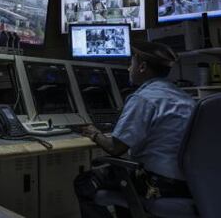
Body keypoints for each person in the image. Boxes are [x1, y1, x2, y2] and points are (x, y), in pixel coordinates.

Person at [74, 41, 196, 218]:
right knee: (124, 183)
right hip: (191, 184)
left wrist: (94, 133)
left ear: (142, 67)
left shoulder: (143, 98)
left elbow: (115, 148)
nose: (128, 68)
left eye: (131, 63)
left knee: (84, 182)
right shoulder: (186, 99)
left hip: (157, 184)